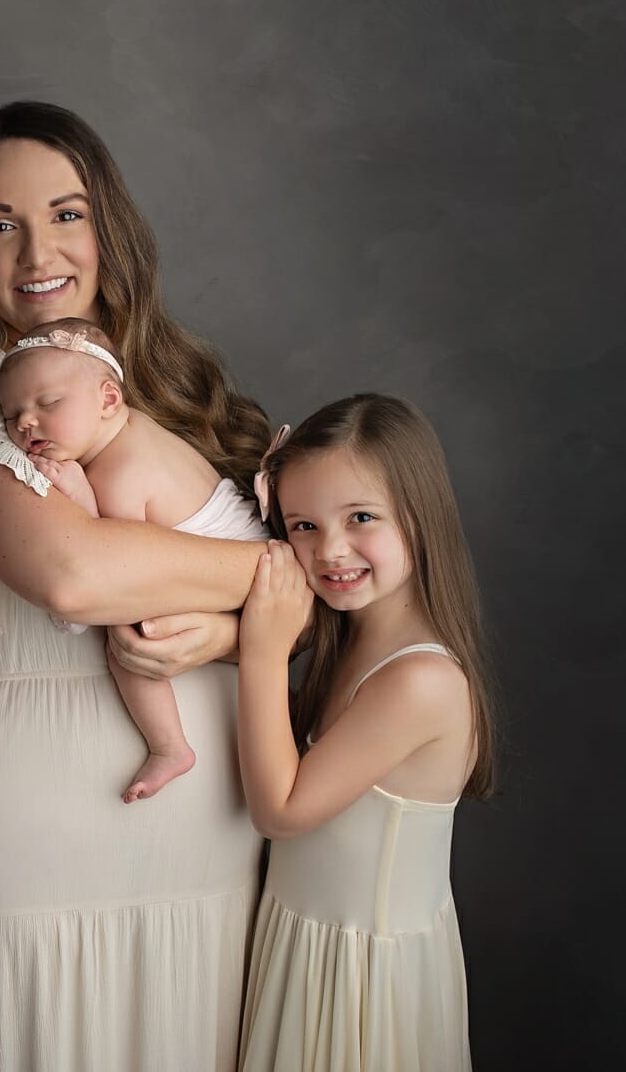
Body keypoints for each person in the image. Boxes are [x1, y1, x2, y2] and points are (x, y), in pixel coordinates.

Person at [0, 101, 272, 1070]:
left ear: (110, 227)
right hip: (34, 837)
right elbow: (74, 574)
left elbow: (330, 598)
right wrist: (278, 583)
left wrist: (240, 631)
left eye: (66, 213)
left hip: (207, 836)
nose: (35, 252)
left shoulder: (173, 387)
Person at [235, 393, 495, 1071]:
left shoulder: (421, 682)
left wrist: (261, 652)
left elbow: (281, 810)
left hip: (360, 977)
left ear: (420, 514)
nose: (331, 551)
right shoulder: (346, 641)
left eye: (360, 518)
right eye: (302, 526)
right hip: (305, 946)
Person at [0, 317, 268, 802]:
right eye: (11, 413)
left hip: (234, 585)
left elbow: (116, 571)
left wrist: (78, 495)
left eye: (48, 404)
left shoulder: (122, 472)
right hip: (243, 570)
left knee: (127, 644)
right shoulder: (136, 432)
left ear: (108, 399)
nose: (25, 422)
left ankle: (170, 746)